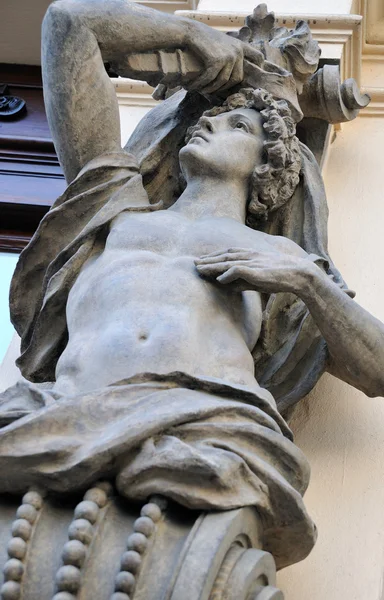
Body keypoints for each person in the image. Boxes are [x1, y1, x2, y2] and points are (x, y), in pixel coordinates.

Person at [1, 0, 384, 569]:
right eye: (210, 114)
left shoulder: (283, 259)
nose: (208, 120)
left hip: (205, 435)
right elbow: (68, 23)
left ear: (268, 164)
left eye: (238, 124)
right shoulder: (113, 213)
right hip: (66, 412)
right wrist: (190, 37)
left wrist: (308, 282)